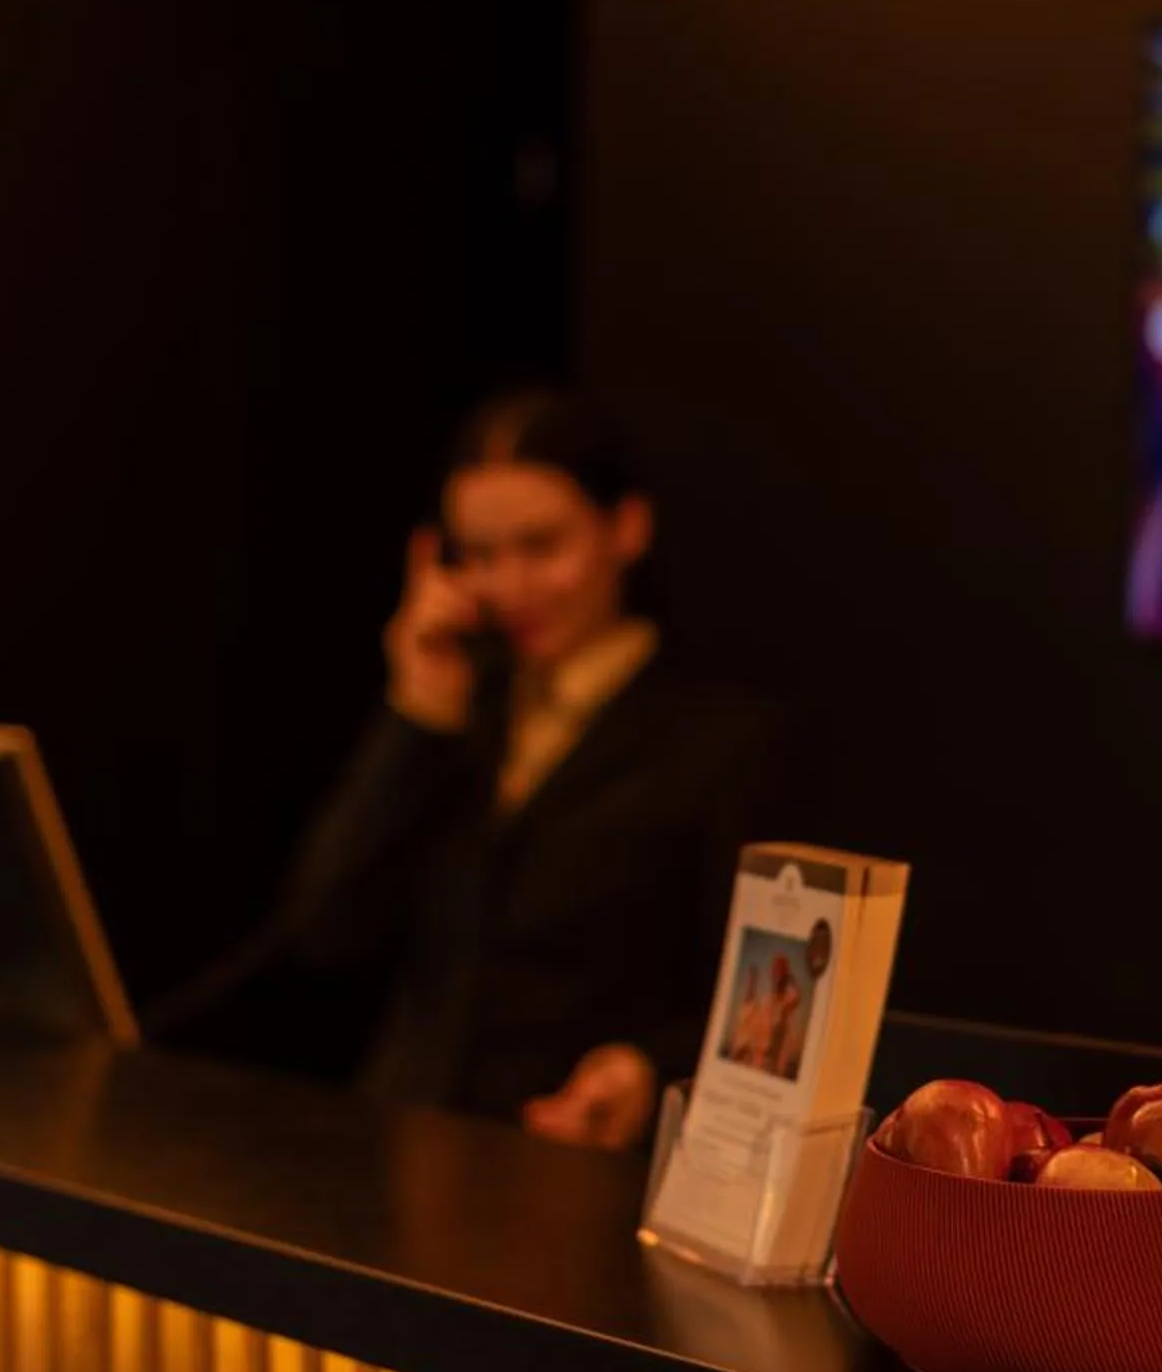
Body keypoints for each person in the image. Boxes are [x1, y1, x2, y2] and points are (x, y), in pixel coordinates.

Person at [194, 390, 777, 1148]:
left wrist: (644, 1069)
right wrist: (416, 710)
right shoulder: (458, 719)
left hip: (569, 1177)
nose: (509, 587)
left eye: (541, 547)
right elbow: (325, 927)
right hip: (395, 1156)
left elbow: (759, 1004)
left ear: (626, 529)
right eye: (480, 555)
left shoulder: (722, 744)